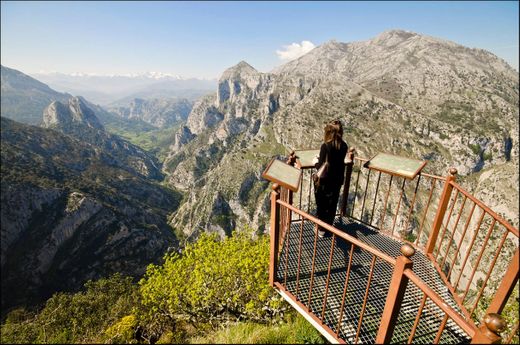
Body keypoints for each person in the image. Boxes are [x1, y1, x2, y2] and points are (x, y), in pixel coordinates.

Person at [312, 120, 348, 237]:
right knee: (332, 204)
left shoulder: (325, 146)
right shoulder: (344, 146)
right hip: (337, 180)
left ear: (328, 132)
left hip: (325, 182)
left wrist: (315, 162)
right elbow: (338, 163)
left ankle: (321, 229)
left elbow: (321, 166)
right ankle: (328, 227)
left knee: (322, 204)